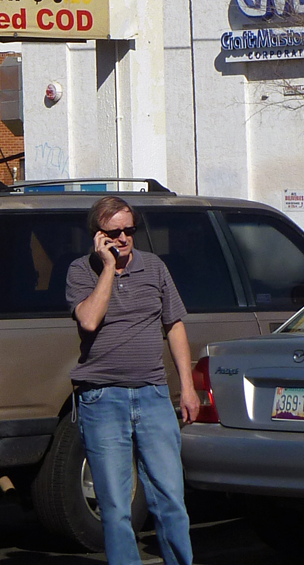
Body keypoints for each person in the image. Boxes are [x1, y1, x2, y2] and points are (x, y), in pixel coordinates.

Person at [64, 195, 199, 565]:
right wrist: (108, 268)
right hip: (102, 400)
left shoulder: (154, 268)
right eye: (114, 232)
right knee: (115, 505)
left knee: (170, 497)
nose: (123, 239)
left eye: (129, 231)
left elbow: (174, 326)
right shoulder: (80, 271)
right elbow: (89, 320)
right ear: (97, 236)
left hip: (153, 396)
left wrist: (186, 388)